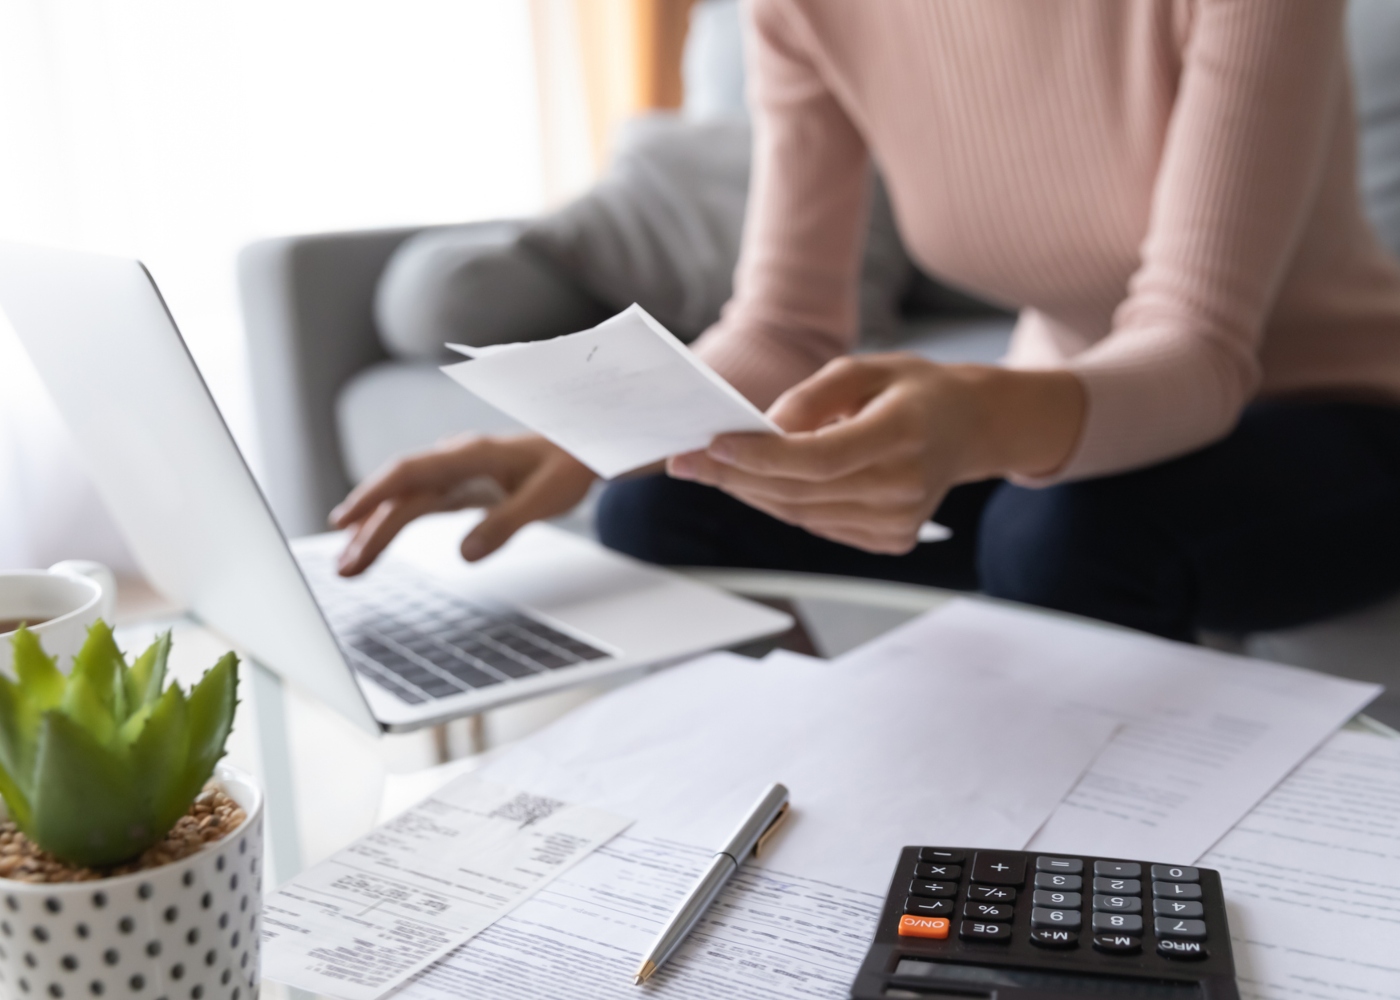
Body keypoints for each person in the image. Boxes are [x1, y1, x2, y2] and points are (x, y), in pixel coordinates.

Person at [332, 0, 1400, 643]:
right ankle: (802, 824)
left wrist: (980, 418)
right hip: (1075, 429)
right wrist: (575, 442)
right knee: (664, 515)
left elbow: (1199, 348)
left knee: (1062, 529)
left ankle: (1087, 903)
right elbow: (785, 326)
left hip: (1337, 410)